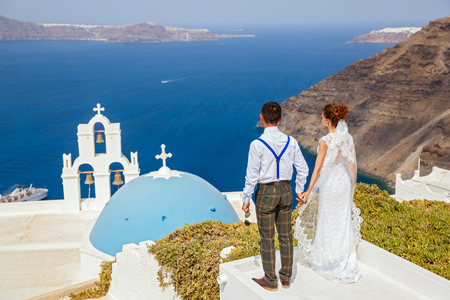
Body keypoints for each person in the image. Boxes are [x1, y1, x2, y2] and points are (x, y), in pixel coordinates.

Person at [242, 101, 309, 291]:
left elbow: (252, 175)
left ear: (261, 118)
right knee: (286, 235)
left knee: (267, 238)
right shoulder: (291, 141)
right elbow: (303, 168)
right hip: (286, 190)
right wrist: (299, 189)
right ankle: (286, 278)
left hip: (266, 192)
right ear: (280, 118)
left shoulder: (257, 144)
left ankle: (270, 280)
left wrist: (246, 199)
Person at [294, 103, 362, 283]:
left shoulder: (325, 141)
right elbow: (352, 166)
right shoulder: (348, 139)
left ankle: (326, 259)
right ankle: (342, 258)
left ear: (328, 120)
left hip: (330, 185)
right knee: (341, 219)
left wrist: (308, 192)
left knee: (327, 218)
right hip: (343, 184)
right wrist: (352, 185)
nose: (321, 119)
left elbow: (317, 170)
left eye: (322, 117)